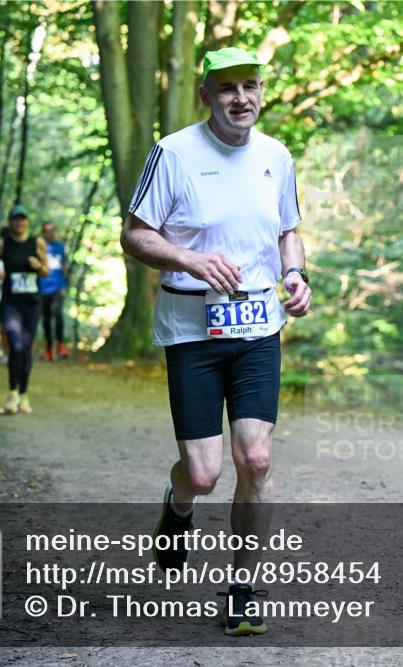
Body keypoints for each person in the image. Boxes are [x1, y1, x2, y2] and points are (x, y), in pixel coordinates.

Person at [120, 47, 311, 637]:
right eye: (227, 88)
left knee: (256, 458)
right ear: (206, 95)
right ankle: (178, 505)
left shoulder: (276, 156)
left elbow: (289, 230)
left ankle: (244, 590)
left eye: (250, 86)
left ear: (262, 91)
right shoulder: (173, 153)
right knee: (202, 473)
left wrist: (296, 274)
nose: (241, 98)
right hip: (192, 331)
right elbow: (135, 235)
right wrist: (190, 259)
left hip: (257, 328)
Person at [0, 205, 49, 414]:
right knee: (15, 345)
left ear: (27, 222)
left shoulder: (37, 243)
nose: (19, 223)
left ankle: (24, 395)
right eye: (15, 219)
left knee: (25, 348)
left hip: (32, 303)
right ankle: (12, 392)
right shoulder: (2, 243)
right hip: (11, 302)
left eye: (22, 219)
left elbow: (46, 271)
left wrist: (39, 266)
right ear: (10, 222)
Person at [39, 222, 70, 361]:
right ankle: (49, 347)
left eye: (52, 230)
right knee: (46, 318)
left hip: (59, 286)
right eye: (47, 231)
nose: (50, 233)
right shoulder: (40, 247)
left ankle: (61, 345)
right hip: (43, 287)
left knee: (58, 314)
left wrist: (66, 268)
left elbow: (65, 262)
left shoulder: (60, 246)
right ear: (43, 233)